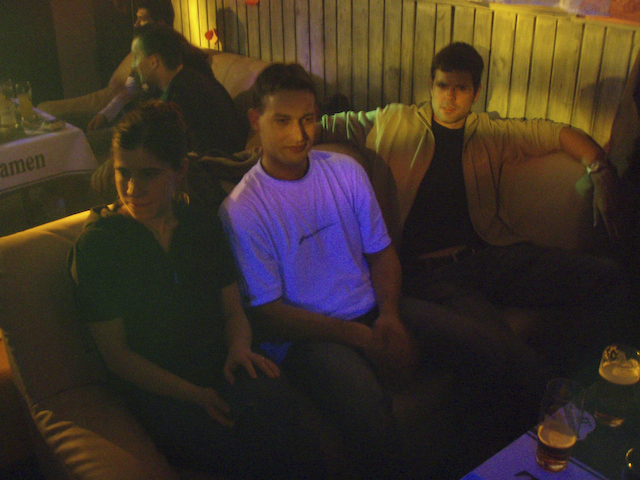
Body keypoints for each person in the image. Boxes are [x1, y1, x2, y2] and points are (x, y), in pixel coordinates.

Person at [317, 41, 635, 378]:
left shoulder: (489, 132)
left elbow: (558, 133)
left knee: (607, 275)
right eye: (443, 86)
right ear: (431, 85)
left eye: (461, 88)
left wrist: (601, 169)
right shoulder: (393, 121)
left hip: (489, 255)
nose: (449, 97)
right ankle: (554, 393)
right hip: (428, 273)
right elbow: (328, 125)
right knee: (498, 347)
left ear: (476, 92)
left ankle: (598, 382)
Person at [69, 100, 326, 479]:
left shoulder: (200, 226)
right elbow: (117, 356)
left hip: (219, 365)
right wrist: (194, 394)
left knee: (287, 420)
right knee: (242, 450)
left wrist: (239, 348)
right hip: (159, 388)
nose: (133, 188)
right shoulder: (99, 246)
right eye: (124, 173)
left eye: (149, 174)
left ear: (179, 170)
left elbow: (232, 311)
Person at [218, 63, 419, 479]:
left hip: (373, 310)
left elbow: (381, 253)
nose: (300, 134)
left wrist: (389, 314)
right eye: (283, 121)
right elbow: (268, 313)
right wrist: (358, 336)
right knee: (367, 406)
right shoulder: (243, 209)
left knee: (480, 345)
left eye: (308, 119)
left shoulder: (345, 170)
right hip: (308, 340)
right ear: (256, 121)